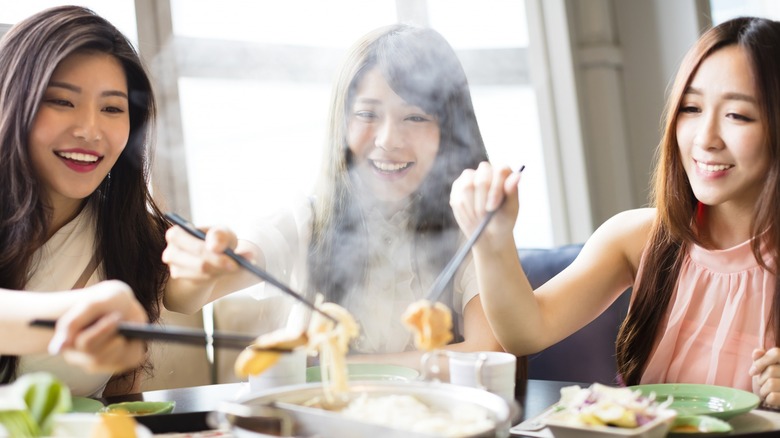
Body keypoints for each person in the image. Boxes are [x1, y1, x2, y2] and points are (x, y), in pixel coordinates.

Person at [449, 16, 780, 406]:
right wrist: (493, 242)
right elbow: (526, 331)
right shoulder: (639, 238)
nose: (705, 139)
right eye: (691, 108)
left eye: (737, 115)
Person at [163, 24, 503, 370]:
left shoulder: (469, 227)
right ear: (341, 123)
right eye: (367, 114)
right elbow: (183, 299)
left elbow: (486, 349)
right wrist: (201, 269)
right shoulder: (308, 219)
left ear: (449, 130)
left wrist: (346, 367)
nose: (388, 139)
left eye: (415, 116)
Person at [0, 6, 170, 397]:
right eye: (62, 101)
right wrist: (71, 317)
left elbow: (120, 408)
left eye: (112, 108)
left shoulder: (134, 240)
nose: (90, 131)